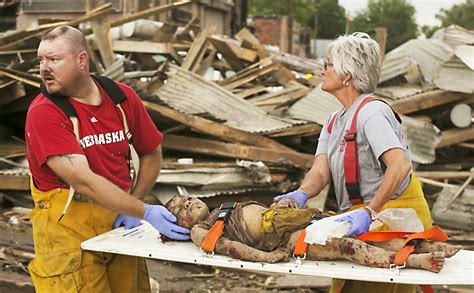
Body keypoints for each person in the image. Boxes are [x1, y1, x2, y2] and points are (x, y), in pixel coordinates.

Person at [25, 26, 189, 292]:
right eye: (41, 60)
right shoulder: (44, 113)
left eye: (54, 60)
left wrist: (132, 203)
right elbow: (83, 181)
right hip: (66, 234)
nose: (44, 68)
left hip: (119, 224)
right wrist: (145, 211)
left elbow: (151, 152)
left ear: (81, 60)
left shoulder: (120, 98)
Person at [273, 32, 434, 292]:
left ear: (347, 73)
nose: (322, 69)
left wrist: (370, 211)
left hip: (395, 218)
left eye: (328, 64)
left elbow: (400, 165)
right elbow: (320, 171)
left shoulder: (372, 113)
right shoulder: (333, 120)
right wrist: (301, 194)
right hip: (360, 218)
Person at [164, 195, 460, 273]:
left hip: (295, 220)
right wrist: (267, 258)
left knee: (369, 234)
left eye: (187, 198)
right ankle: (412, 262)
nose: (187, 202)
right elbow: (230, 248)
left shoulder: (222, 210)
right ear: (182, 224)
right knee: (348, 246)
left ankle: (424, 246)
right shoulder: (201, 231)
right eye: (180, 209)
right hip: (285, 240)